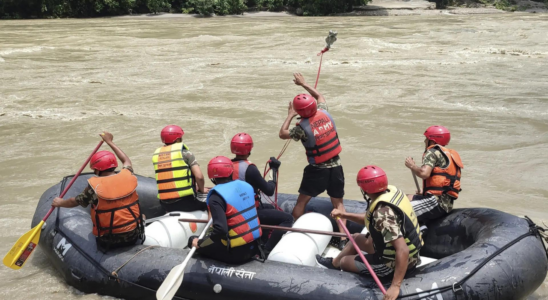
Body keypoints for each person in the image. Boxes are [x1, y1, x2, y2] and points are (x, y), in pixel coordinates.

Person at [316, 166, 423, 300]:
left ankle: (341, 263)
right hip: (400, 251)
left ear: (364, 189)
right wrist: (344, 214)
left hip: (393, 263)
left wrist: (395, 286)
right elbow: (369, 218)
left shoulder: (382, 214)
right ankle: (334, 264)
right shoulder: (391, 193)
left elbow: (402, 249)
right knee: (356, 238)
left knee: (345, 262)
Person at [278, 72, 347, 249]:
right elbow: (320, 96)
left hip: (317, 170)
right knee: (338, 204)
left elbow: (282, 134)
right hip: (336, 167)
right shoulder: (324, 111)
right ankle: (343, 239)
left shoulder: (301, 128)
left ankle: (293, 232)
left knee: (301, 202)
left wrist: (290, 115)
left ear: (299, 112)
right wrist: (303, 84)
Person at [52, 132, 144, 251]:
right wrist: (110, 142)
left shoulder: (94, 188)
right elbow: (126, 160)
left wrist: (59, 203)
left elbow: (73, 201)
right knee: (142, 215)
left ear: (97, 170)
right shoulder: (128, 175)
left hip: (109, 240)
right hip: (134, 235)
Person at [188, 156, 263, 264]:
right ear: (231, 171)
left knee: (192, 239)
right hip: (255, 246)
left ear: (212, 177)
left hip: (236, 253)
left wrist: (199, 243)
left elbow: (220, 231)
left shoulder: (216, 196)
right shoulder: (247, 186)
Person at [230, 132, 293, 254]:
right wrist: (273, 170)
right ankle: (267, 249)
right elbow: (269, 190)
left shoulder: (227, 165)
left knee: (269, 207)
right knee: (288, 219)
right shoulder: (250, 169)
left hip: (234, 210)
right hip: (248, 213)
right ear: (249, 149)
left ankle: (261, 240)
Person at [404, 125, 463, 223]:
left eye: (426, 139)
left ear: (433, 141)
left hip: (435, 203)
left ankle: (420, 229)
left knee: (397, 210)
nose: (425, 141)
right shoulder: (449, 155)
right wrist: (426, 191)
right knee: (404, 197)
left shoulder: (432, 151)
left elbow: (424, 174)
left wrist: (412, 166)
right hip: (446, 204)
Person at [152, 125, 209, 213]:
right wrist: (201, 190)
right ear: (177, 139)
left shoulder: (156, 156)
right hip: (185, 202)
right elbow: (199, 177)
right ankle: (213, 226)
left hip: (165, 204)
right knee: (213, 203)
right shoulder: (186, 153)